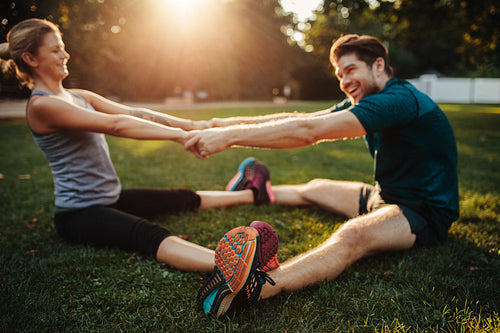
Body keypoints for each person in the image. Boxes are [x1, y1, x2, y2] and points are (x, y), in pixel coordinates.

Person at [187, 34, 459, 316]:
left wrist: (228, 138)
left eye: (351, 70)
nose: (344, 81)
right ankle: (253, 189)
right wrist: (213, 125)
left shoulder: (398, 100)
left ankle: (252, 290)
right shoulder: (366, 100)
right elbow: (297, 120)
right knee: (314, 188)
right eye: (340, 74)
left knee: (353, 235)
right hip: (386, 196)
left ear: (378, 66)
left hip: (423, 212)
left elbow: (309, 132)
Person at [0, 18, 279, 274]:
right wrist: (179, 138)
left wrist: (191, 127)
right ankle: (234, 267)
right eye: (56, 50)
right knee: (146, 233)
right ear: (30, 58)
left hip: (111, 197)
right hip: (79, 214)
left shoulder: (77, 96)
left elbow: (133, 114)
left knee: (181, 198)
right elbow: (117, 125)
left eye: (63, 48)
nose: (65, 55)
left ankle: (253, 194)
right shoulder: (42, 105)